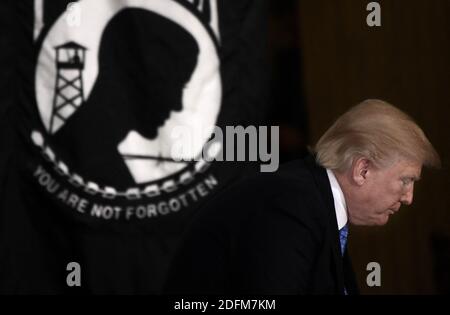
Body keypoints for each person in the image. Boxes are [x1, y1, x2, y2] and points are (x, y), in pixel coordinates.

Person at [163, 99, 441, 295]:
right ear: (363, 169)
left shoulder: (314, 203)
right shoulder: (290, 205)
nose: (409, 198)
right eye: (405, 180)